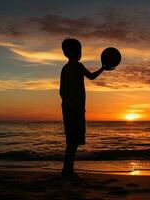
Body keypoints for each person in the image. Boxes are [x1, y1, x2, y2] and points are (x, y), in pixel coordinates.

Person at [59, 38, 113, 180]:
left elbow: (61, 92)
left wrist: (67, 101)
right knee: (74, 141)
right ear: (78, 52)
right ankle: (68, 171)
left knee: (71, 141)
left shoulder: (64, 68)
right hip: (75, 108)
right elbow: (91, 77)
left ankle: (67, 169)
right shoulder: (78, 66)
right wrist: (103, 68)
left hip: (66, 108)